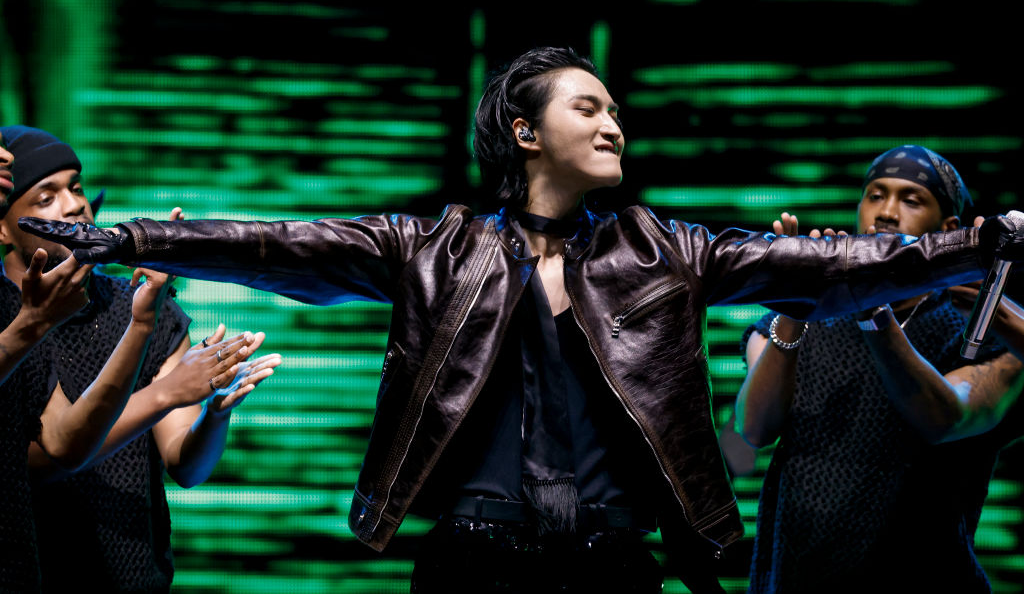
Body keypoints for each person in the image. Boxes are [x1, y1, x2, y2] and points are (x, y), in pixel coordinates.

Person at [18, 48, 1024, 593]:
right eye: (587, 106)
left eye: (616, 109)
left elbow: (830, 265)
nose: (612, 122)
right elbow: (276, 242)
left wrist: (976, 245)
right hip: (471, 560)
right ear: (522, 129)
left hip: (615, 562)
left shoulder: (667, 250)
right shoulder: (431, 248)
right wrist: (123, 238)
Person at [0, 125, 280, 593]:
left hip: (132, 576)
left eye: (76, 187)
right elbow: (41, 460)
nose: (73, 205)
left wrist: (213, 413)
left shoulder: (136, 304)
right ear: (4, 227)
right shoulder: (9, 319)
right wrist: (165, 393)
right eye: (45, 197)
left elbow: (185, 465)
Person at [733, 145, 1024, 593]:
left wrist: (872, 308)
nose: (886, 213)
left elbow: (944, 419)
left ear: (948, 229)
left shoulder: (987, 333)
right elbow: (752, 430)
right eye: (875, 195)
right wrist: (794, 305)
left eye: (912, 199)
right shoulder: (789, 323)